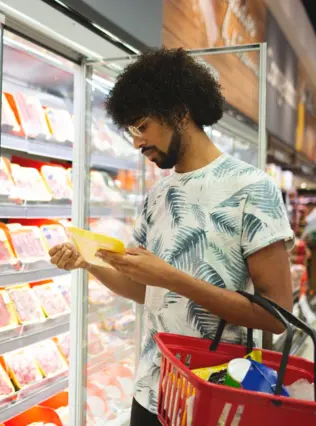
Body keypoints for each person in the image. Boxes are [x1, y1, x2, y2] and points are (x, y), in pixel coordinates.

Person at [49, 48, 294, 426]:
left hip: (217, 396)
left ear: (180, 112)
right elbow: (146, 291)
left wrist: (170, 277)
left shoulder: (252, 188)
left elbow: (277, 316)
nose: (136, 142)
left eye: (142, 126)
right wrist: (89, 263)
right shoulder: (157, 196)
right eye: (131, 130)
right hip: (151, 391)